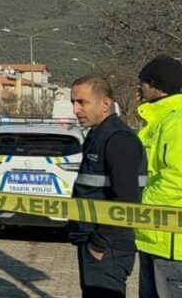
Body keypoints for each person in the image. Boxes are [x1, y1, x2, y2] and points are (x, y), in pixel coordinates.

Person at [134, 56, 182, 298]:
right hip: (156, 240)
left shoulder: (180, 124)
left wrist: (139, 204)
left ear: (155, 85)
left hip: (176, 247)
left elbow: (179, 180)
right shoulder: (162, 121)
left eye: (143, 81)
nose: (139, 86)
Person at [68, 76, 147, 298]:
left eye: (82, 102)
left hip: (108, 247)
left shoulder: (118, 139)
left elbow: (126, 200)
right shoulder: (98, 135)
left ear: (105, 104)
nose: (75, 109)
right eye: (73, 102)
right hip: (95, 241)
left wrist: (98, 243)